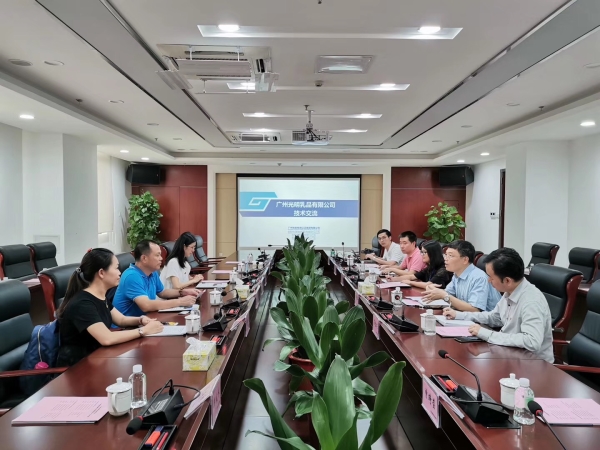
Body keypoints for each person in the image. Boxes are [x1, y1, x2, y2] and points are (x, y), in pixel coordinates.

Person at [443, 248, 554, 362]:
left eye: (491, 277)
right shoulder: (510, 291)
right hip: (509, 355)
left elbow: (532, 341)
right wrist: (459, 315)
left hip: (533, 364)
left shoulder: (531, 301)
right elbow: (494, 317)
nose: (488, 281)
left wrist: (487, 334)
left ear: (507, 281)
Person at [56, 248, 164, 366]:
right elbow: (107, 338)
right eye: (116, 268)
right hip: (78, 367)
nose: (119, 273)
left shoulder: (100, 296)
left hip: (98, 358)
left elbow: (121, 320)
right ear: (101, 273)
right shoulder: (82, 304)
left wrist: (141, 320)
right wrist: (143, 331)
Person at [112, 240, 200, 318]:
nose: (161, 258)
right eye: (157, 255)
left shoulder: (152, 272)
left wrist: (183, 292)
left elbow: (162, 292)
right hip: (127, 327)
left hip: (146, 319)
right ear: (144, 258)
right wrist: (180, 302)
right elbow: (146, 305)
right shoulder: (131, 276)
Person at [423, 240, 501, 312]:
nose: (445, 259)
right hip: (465, 316)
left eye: (450, 256)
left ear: (465, 260)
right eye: (445, 255)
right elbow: (448, 293)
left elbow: (475, 309)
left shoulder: (479, 278)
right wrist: (434, 291)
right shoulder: (457, 274)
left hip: (485, 321)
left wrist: (444, 296)